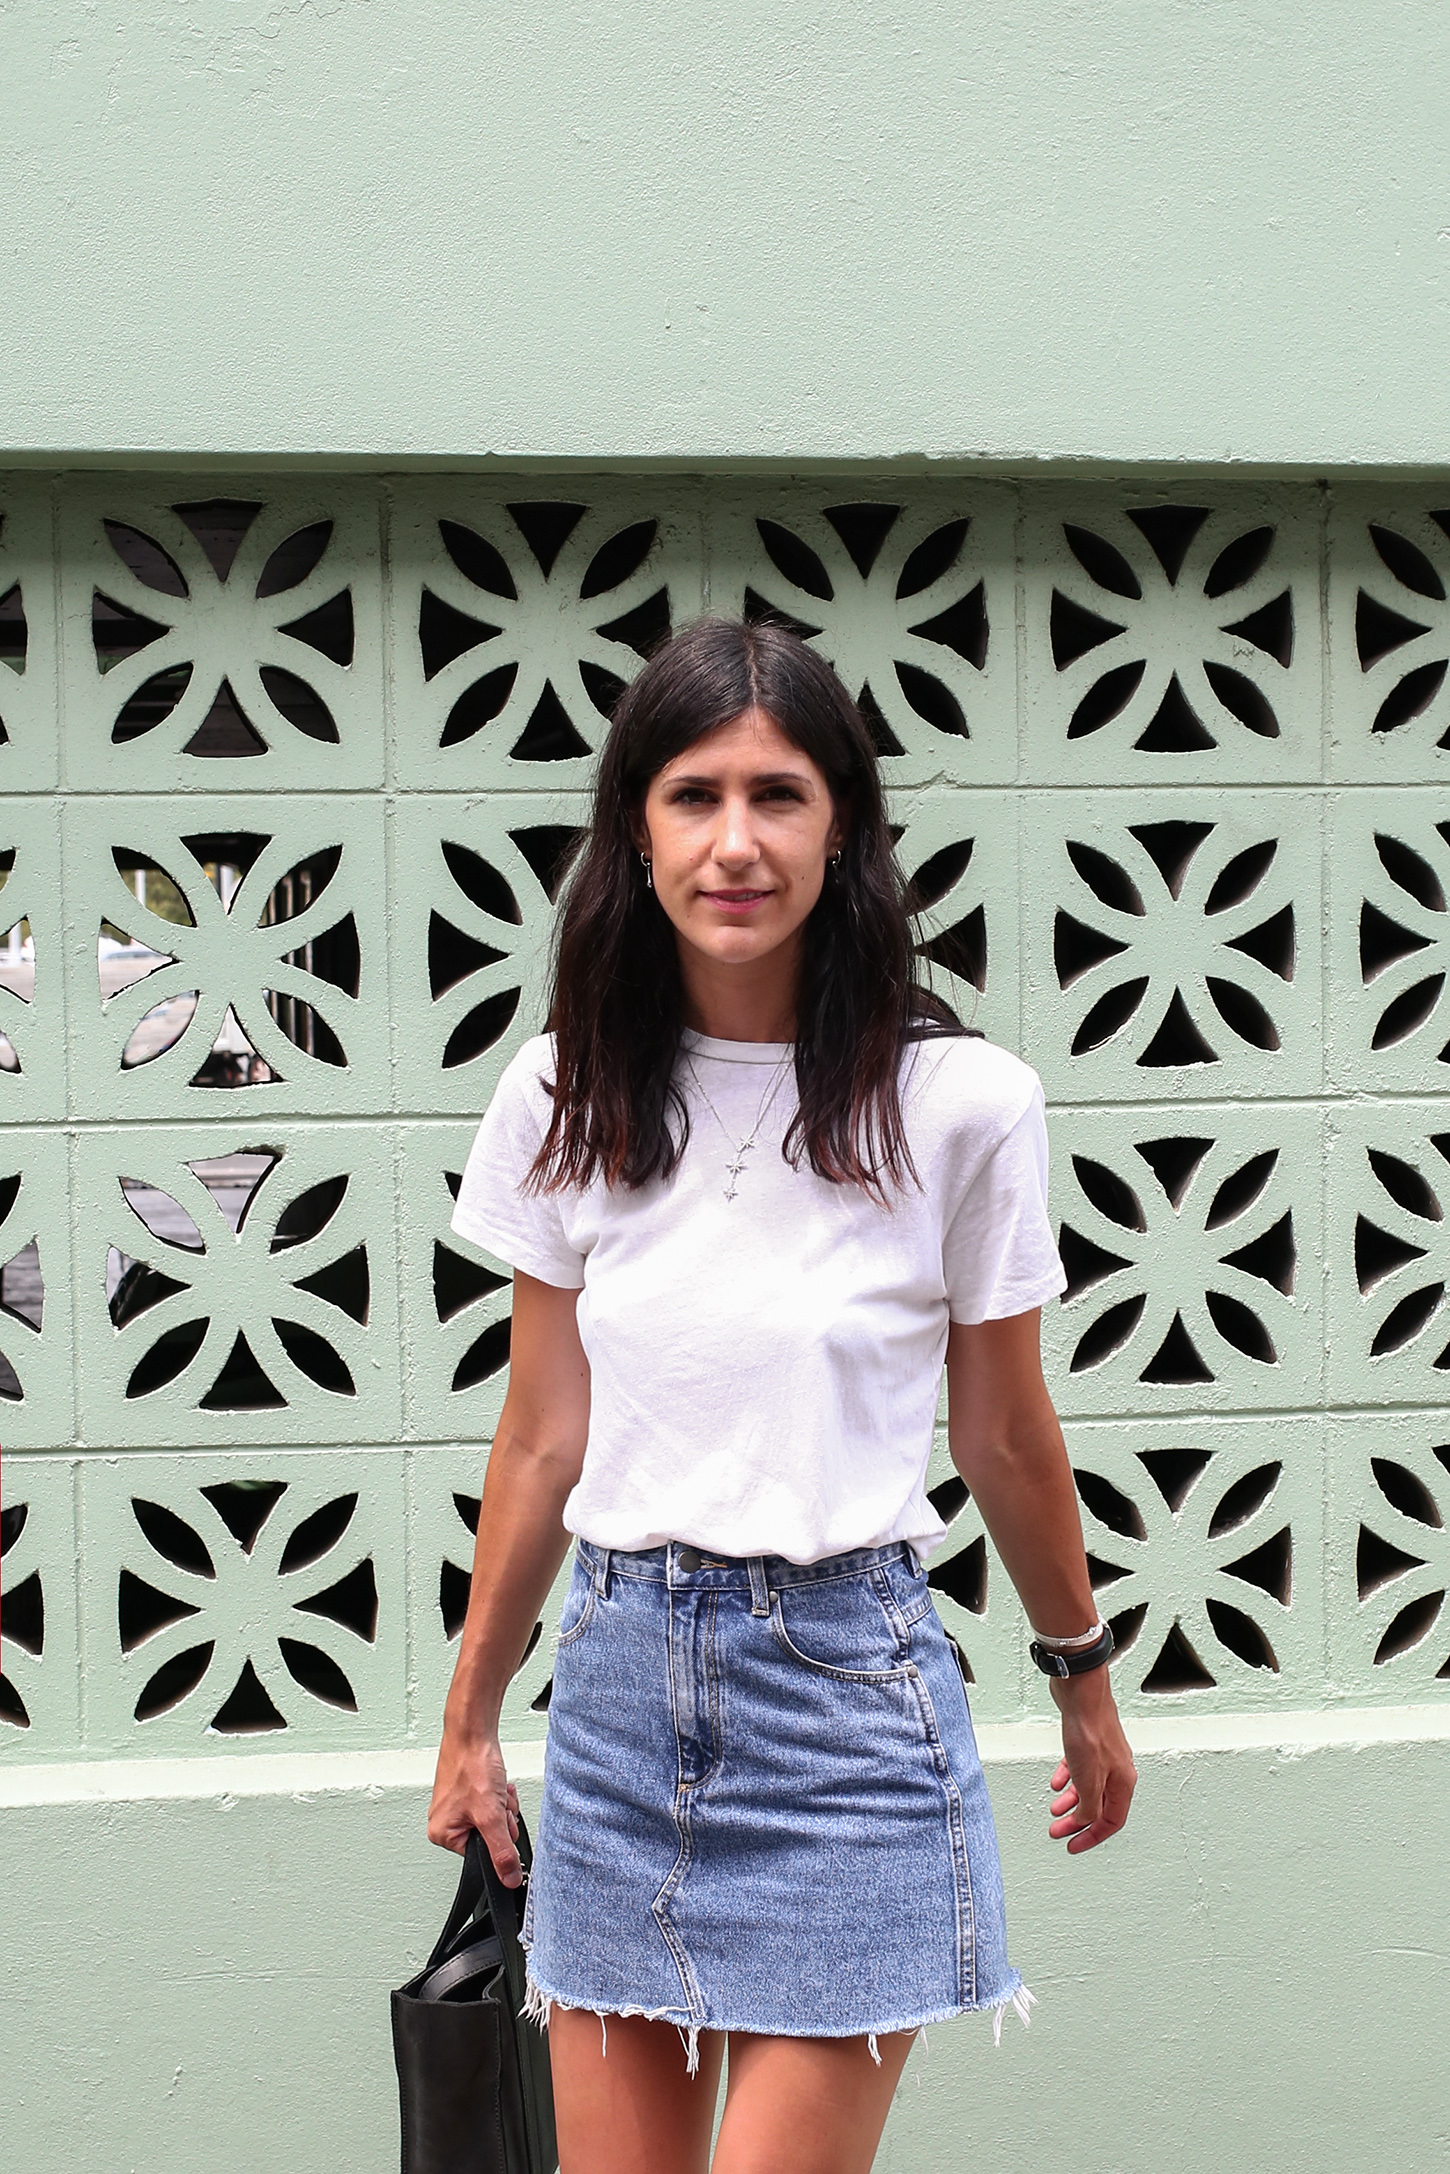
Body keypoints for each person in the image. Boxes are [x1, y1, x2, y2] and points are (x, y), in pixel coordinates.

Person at [427, 617, 1137, 2174]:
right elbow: (543, 1433)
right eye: (693, 795)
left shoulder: (959, 1104)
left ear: (844, 830)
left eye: (778, 794)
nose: (734, 841)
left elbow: (1004, 1431)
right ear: (635, 829)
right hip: (617, 1699)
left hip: (847, 1705)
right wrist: (470, 1715)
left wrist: (1080, 1670)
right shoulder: (566, 1091)